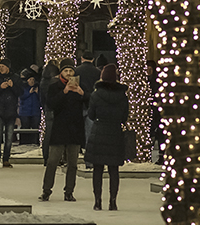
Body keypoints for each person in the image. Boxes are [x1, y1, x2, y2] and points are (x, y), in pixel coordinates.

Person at [40, 58, 86, 202]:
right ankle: (46, 190)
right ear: (61, 72)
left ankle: (69, 191)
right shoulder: (55, 86)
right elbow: (51, 104)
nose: (68, 73)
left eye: (70, 71)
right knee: (53, 161)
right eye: (65, 71)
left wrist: (82, 94)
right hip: (59, 128)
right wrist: (64, 92)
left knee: (72, 163)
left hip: (75, 129)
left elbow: (89, 103)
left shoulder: (80, 86)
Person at [85, 64, 129, 210]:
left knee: (98, 169)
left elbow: (91, 115)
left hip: (99, 131)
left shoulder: (96, 94)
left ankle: (97, 201)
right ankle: (113, 201)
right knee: (113, 170)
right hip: (115, 133)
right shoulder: (122, 96)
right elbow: (124, 117)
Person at [17, 70, 41, 146]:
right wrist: (29, 93)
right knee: (25, 127)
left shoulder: (38, 88)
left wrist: (38, 93)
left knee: (35, 127)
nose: (32, 81)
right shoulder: (23, 88)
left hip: (35, 111)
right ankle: (24, 142)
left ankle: (35, 142)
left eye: (33, 80)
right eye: (30, 80)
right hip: (25, 111)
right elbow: (21, 97)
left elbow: (41, 99)